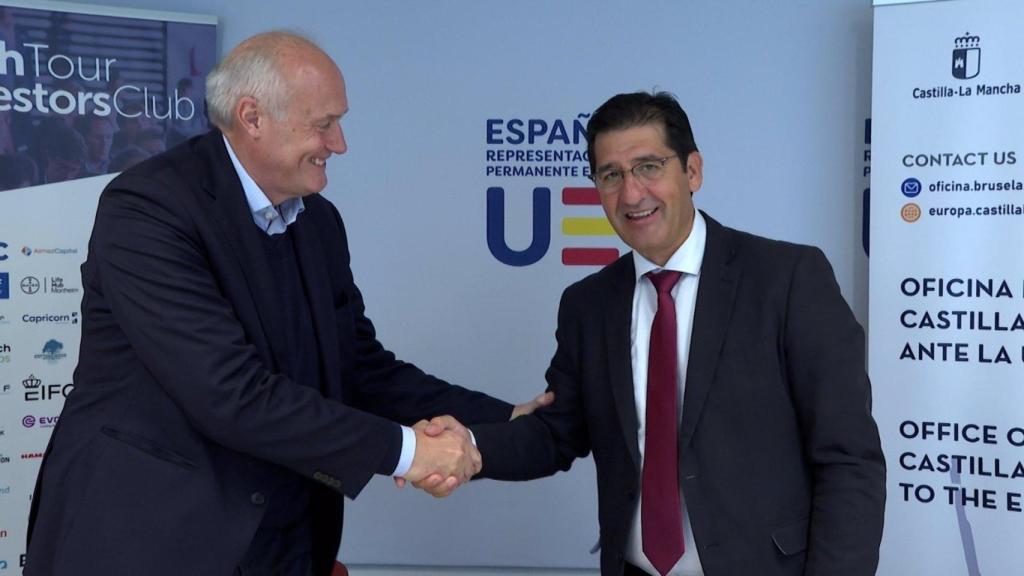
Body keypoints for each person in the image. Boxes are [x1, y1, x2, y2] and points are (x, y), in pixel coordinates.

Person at [24, 31, 549, 576]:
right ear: (252, 117)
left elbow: (360, 367)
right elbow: (228, 393)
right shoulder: (149, 209)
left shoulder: (318, 221)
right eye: (323, 124)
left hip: (285, 543)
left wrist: (503, 419)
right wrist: (412, 453)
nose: (339, 143)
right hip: (151, 540)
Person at [441, 92, 886, 576]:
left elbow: (849, 459)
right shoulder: (587, 306)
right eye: (611, 175)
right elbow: (557, 432)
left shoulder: (787, 279)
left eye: (649, 167)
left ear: (692, 171)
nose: (631, 194)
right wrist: (468, 446)